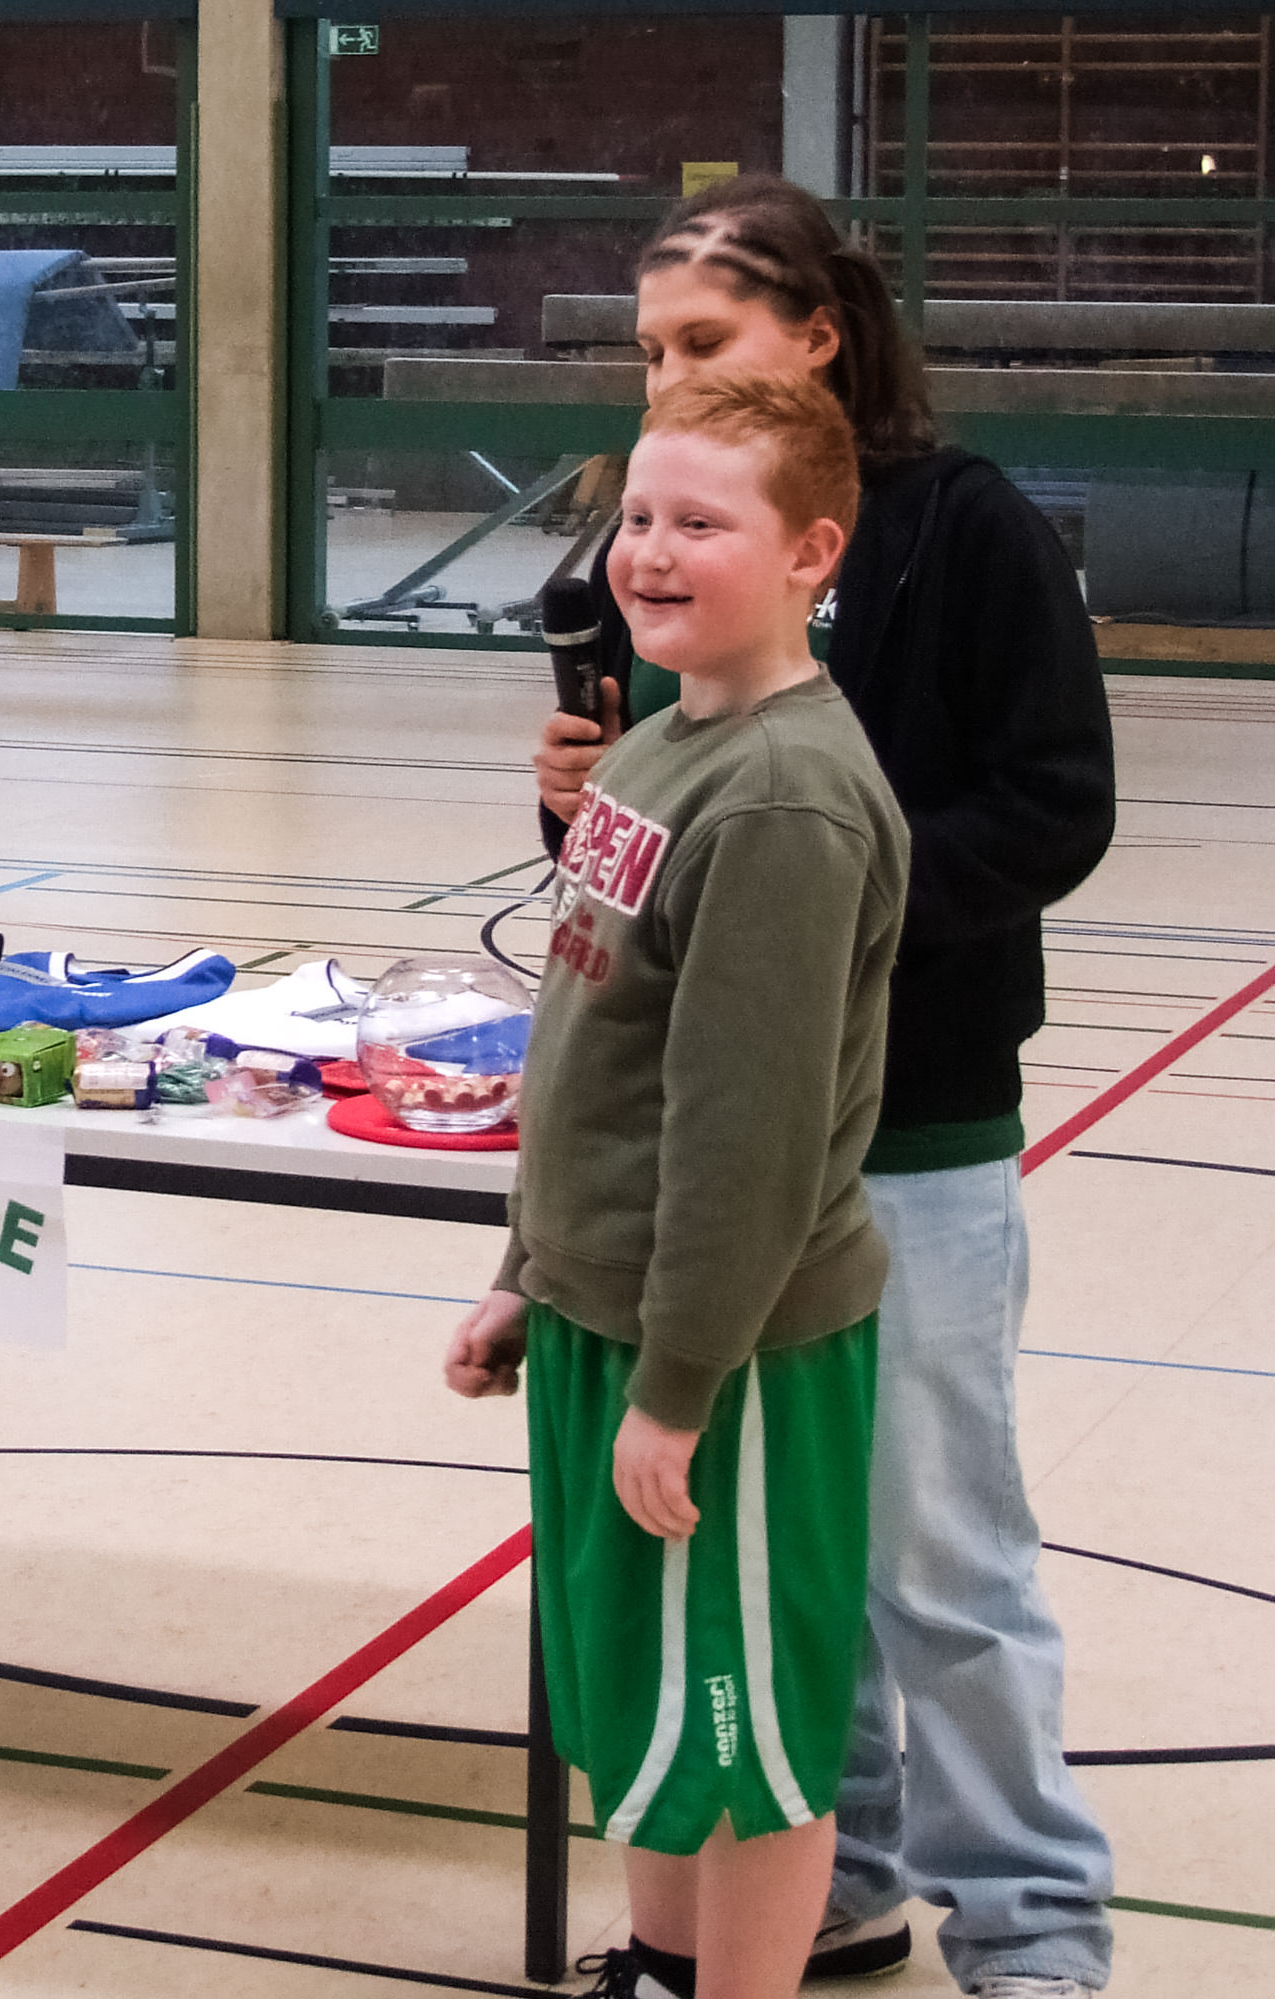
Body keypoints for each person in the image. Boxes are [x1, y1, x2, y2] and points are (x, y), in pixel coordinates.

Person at [530, 176, 1118, 1998]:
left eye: (702, 342)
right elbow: (676, 860)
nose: (665, 380)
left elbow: (1055, 805)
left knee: (939, 1560)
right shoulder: (668, 540)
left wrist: (827, 913)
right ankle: (833, 1876)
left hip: (910, 1126)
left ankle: (1033, 1930)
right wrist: (588, 806)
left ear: (819, 338)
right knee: (787, 1560)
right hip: (716, 1143)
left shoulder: (968, 528)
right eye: (648, 353)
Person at [450, 370, 910, 1999]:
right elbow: (592, 1050)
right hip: (607, 1309)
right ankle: (659, 1963)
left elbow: (747, 1138)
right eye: (636, 515)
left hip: (731, 1353)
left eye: (701, 523)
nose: (648, 551)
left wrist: (681, 1383)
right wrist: (530, 1268)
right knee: (641, 1692)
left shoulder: (784, 799)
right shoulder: (658, 745)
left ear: (811, 554)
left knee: (748, 1730)